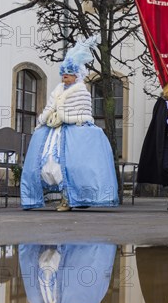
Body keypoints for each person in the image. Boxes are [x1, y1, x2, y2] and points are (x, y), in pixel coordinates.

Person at [21, 35, 118, 211]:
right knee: (49, 164)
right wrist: (45, 119)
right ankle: (56, 196)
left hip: (74, 131)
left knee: (75, 166)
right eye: (63, 75)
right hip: (54, 132)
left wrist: (67, 117)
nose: (64, 78)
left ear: (76, 76)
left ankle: (73, 198)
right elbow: (50, 106)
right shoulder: (58, 89)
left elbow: (83, 112)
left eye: (67, 76)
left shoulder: (81, 91)